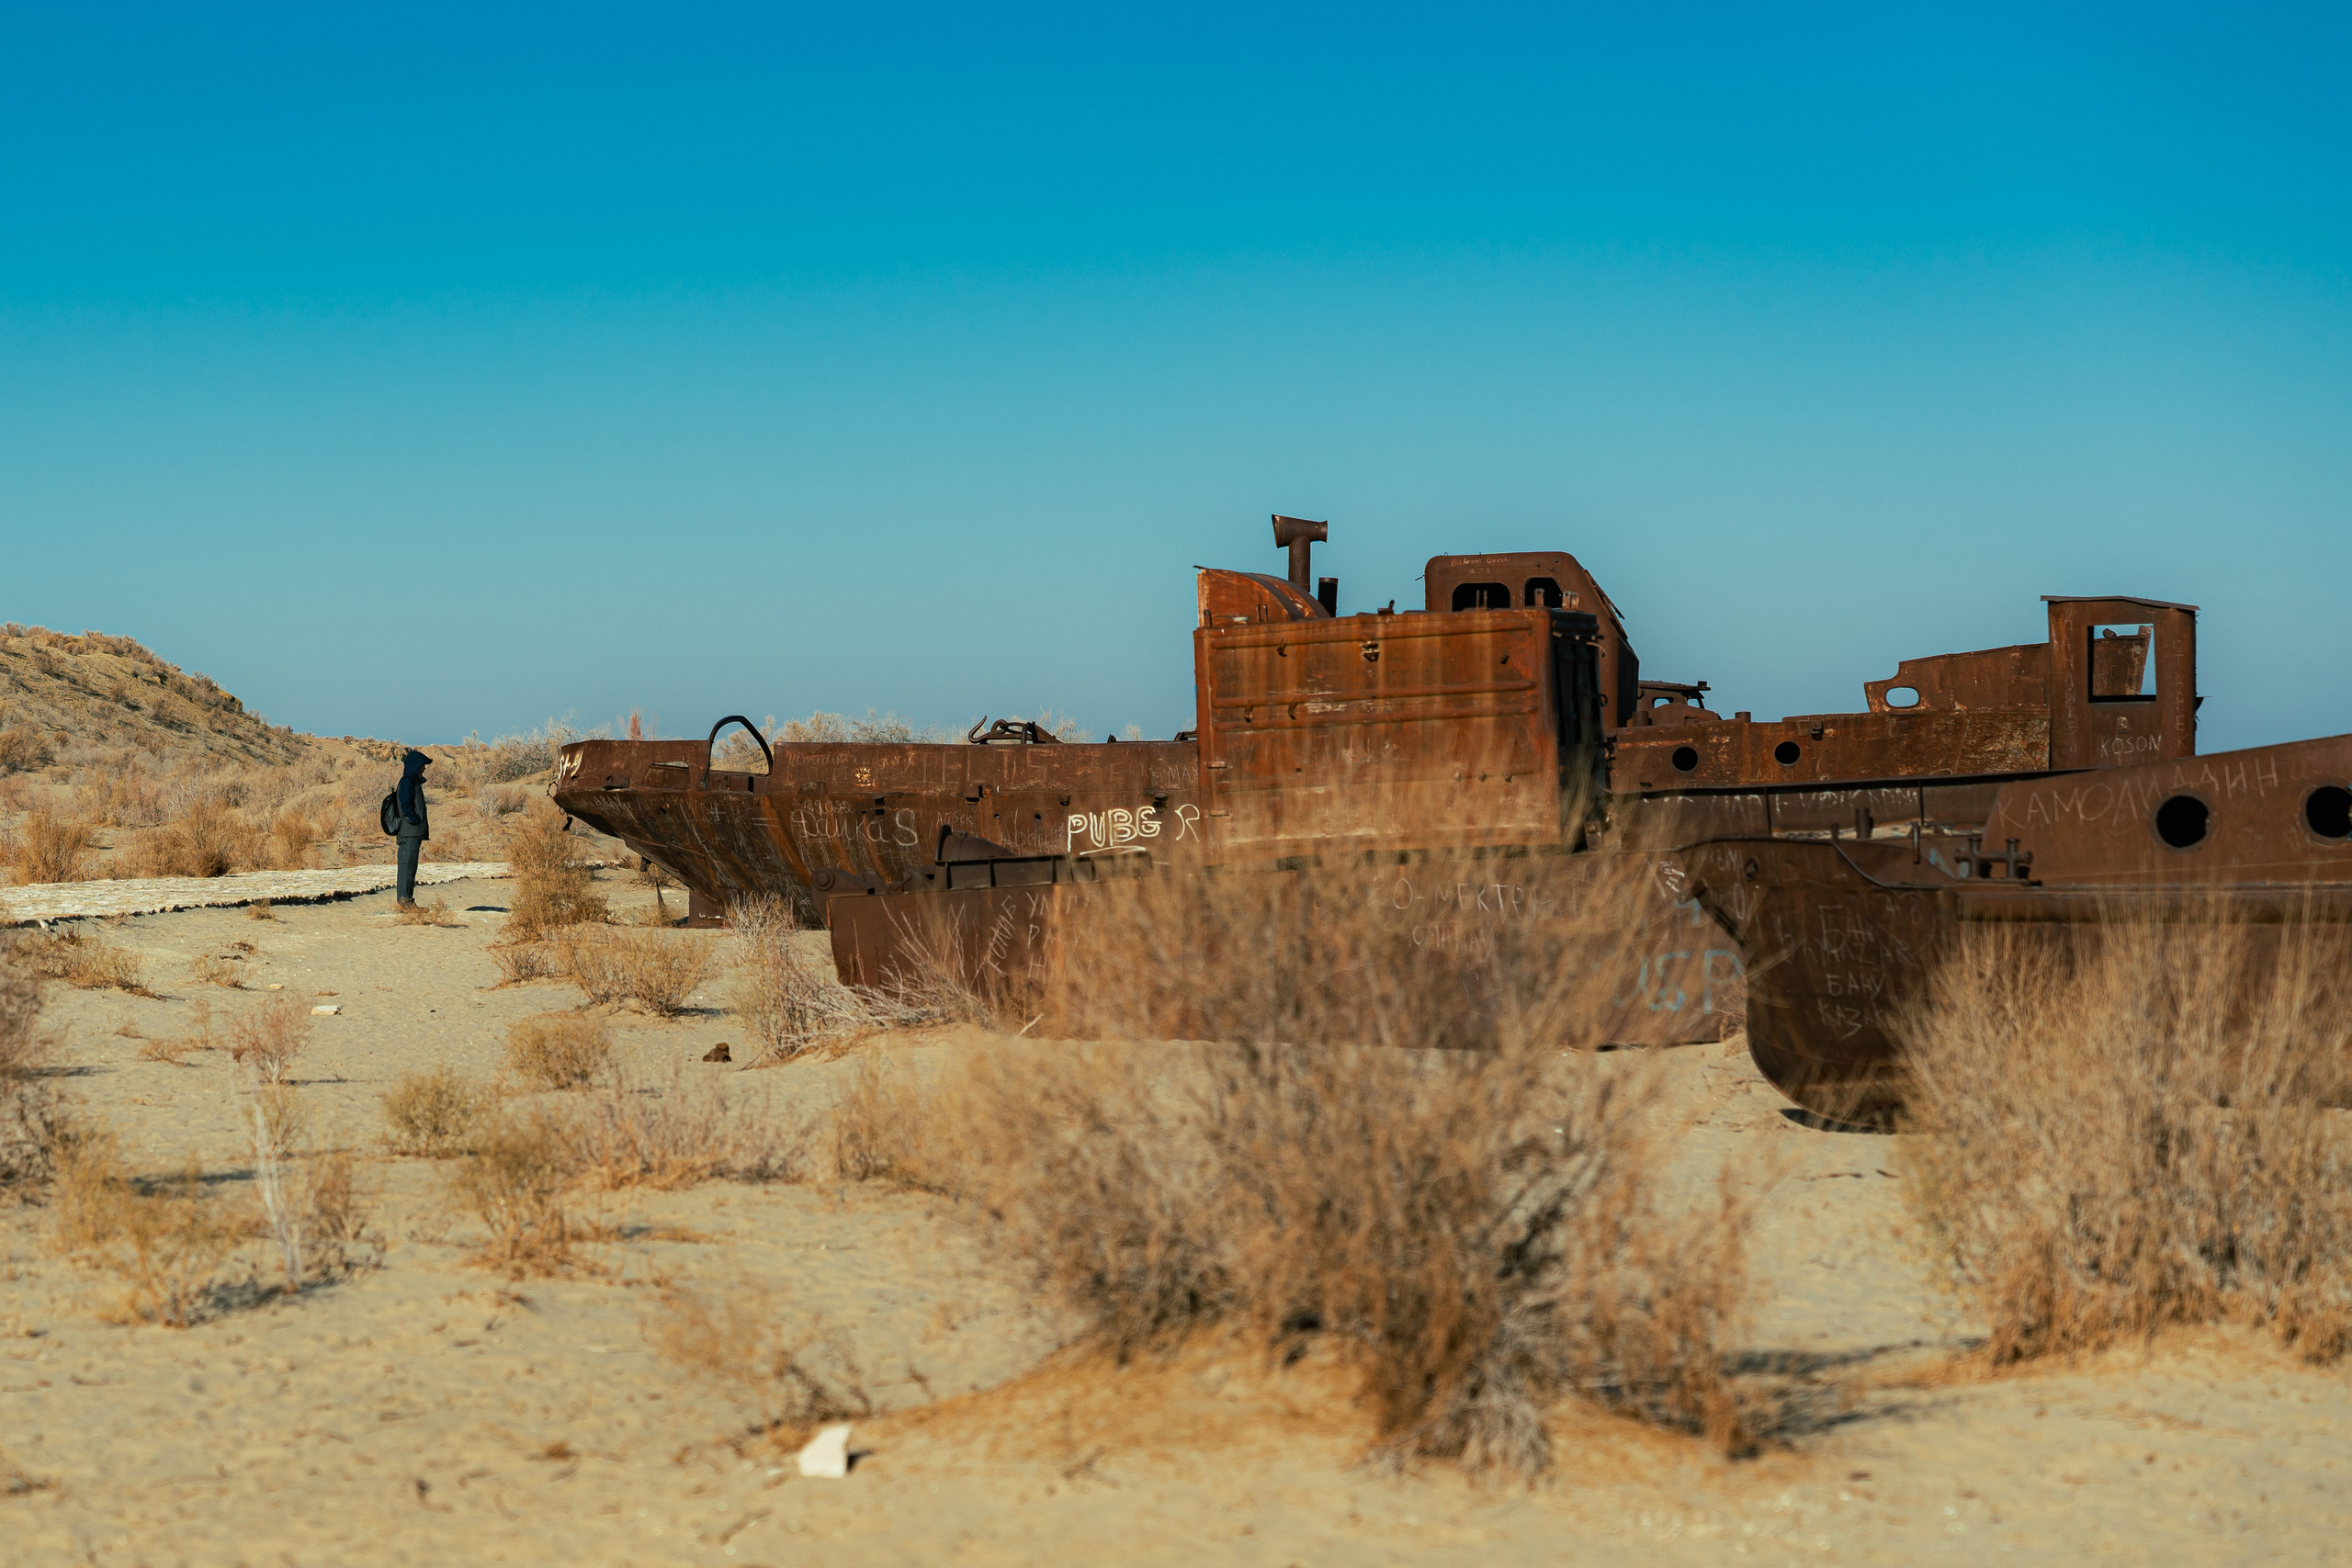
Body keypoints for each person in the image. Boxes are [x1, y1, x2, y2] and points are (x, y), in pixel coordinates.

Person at [393, 750, 433, 908]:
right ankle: (406, 904)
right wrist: (415, 821)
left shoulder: (411, 781)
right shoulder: (408, 782)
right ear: (416, 765)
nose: (424, 768)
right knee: (407, 869)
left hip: (412, 833)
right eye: (423, 765)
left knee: (409, 868)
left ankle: (406, 902)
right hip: (409, 833)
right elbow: (405, 806)